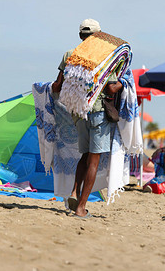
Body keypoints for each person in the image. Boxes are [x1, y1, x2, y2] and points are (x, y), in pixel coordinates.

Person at [53, 19, 123, 218]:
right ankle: (81, 208)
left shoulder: (69, 55)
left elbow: (57, 86)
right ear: (98, 36)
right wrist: (123, 84)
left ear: (80, 36)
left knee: (84, 156)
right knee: (93, 159)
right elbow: (111, 88)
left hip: (78, 113)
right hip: (98, 112)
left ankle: (74, 192)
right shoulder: (104, 56)